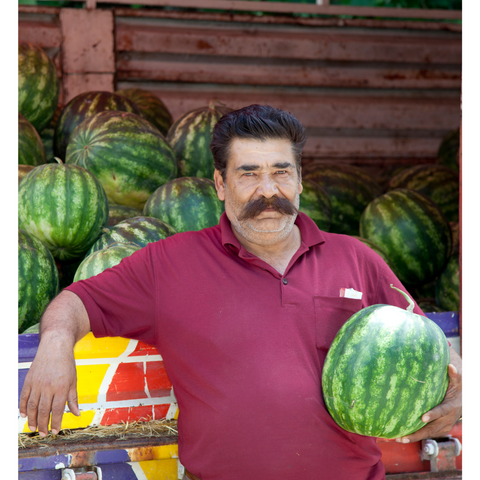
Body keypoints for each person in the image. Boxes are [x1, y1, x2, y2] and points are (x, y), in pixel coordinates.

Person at [20, 104, 462, 480]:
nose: (268, 191)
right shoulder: (170, 263)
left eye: (281, 172)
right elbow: (77, 301)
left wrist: (458, 394)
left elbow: (430, 344)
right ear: (219, 184)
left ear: (300, 180)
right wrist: (56, 342)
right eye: (248, 174)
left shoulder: (355, 257)